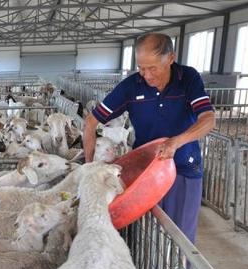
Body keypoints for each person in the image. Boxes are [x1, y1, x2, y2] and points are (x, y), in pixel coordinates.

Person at [83, 33, 216, 242]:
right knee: (146, 239)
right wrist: (89, 167)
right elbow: (91, 122)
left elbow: (208, 119)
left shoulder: (188, 79)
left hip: (183, 168)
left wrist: (176, 142)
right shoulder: (131, 86)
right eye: (141, 67)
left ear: (170, 58)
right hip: (143, 173)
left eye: (152, 68)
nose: (146, 75)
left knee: (181, 237)